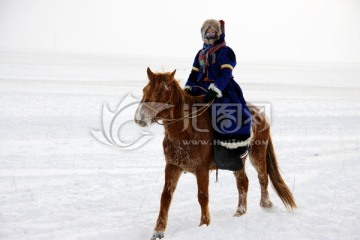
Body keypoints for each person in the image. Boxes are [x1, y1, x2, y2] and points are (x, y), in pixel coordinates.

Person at [184, 19, 252, 170]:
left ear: (217, 33)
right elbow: (194, 73)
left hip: (222, 87)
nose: (209, 34)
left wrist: (215, 90)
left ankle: (230, 152)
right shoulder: (200, 53)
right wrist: (188, 87)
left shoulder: (225, 51)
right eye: (206, 32)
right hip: (200, 87)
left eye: (212, 31)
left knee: (224, 114)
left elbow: (226, 73)